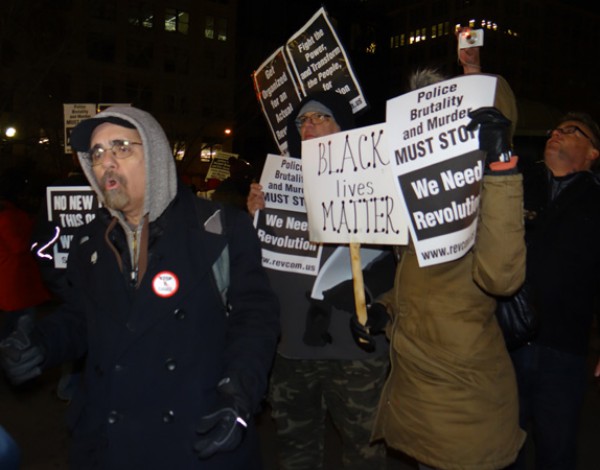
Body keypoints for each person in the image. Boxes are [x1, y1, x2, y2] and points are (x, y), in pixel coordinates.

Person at [0, 106, 280, 469]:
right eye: (97, 153)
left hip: (195, 436)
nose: (106, 162)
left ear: (156, 155)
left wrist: (238, 395)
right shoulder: (89, 242)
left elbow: (255, 320)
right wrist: (40, 344)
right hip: (107, 440)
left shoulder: (221, 229)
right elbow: (83, 318)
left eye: (121, 148)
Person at [355, 69, 526, 469]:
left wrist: (500, 167)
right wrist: (384, 309)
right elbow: (422, 286)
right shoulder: (420, 198)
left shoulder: (488, 193)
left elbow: (501, 278)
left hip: (462, 401)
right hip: (416, 398)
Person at [247, 91, 395, 469]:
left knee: (366, 452)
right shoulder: (280, 182)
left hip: (353, 350)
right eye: (301, 121)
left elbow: (400, 259)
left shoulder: (375, 180)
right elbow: (256, 263)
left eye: (320, 117)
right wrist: (254, 219)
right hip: (290, 348)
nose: (308, 125)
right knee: (296, 450)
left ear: (344, 126)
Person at [508, 112, 600, 469]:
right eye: (555, 129)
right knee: (503, 446)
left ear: (593, 152)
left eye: (571, 131)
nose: (556, 134)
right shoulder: (517, 180)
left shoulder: (595, 198)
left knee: (557, 450)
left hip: (564, 350)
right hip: (506, 343)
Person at [0, 168, 51, 340]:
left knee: (14, 324)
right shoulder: (8, 217)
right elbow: (18, 245)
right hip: (16, 282)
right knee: (21, 326)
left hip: (14, 281)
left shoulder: (8, 214)